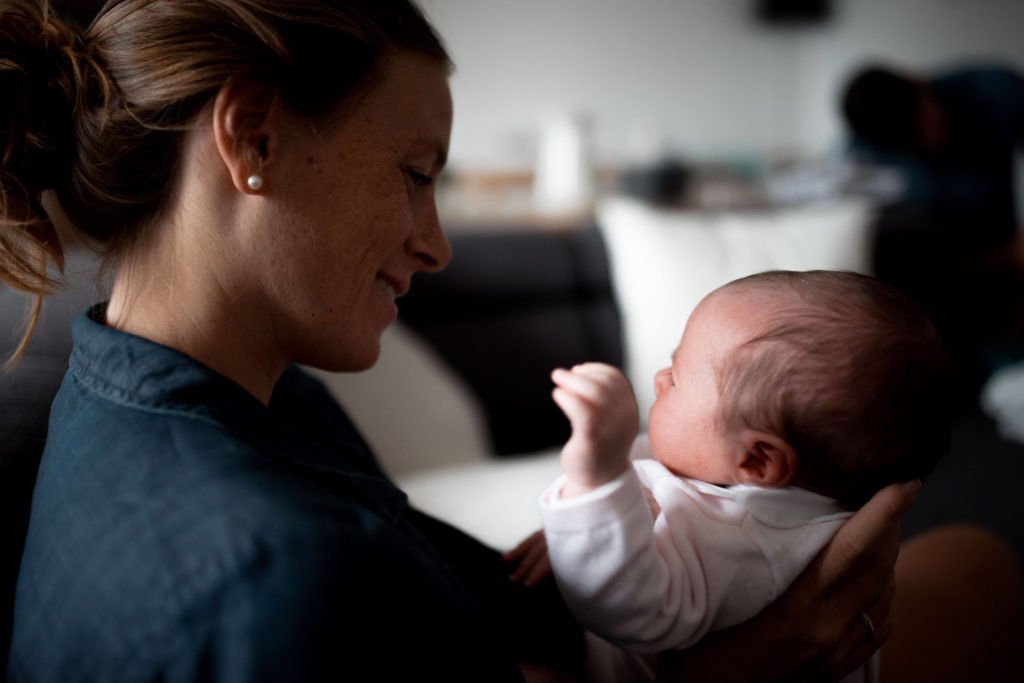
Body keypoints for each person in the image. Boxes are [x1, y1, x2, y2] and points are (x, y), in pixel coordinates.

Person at [0, 1, 1016, 681]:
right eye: (414, 171)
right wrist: (757, 660)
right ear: (252, 136)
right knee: (981, 567)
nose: (437, 242)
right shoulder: (270, 571)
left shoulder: (181, 390)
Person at [509, 270, 951, 681]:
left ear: (758, 462)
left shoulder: (747, 544)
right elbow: (658, 476)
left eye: (678, 379)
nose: (660, 379)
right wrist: (595, 530)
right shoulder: (743, 488)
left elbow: (623, 605)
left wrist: (597, 484)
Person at [840, 62, 1024, 409]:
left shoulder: (997, 92)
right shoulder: (867, 141)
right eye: (910, 143)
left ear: (919, 85)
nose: (928, 142)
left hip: (1005, 239)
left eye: (924, 125)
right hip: (944, 257)